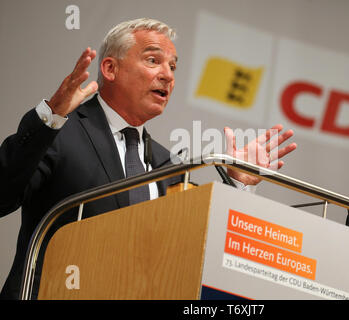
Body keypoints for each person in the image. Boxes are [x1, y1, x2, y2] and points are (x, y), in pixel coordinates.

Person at [0, 18, 297, 299]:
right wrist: (50, 117)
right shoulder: (60, 131)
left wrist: (239, 186)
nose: (168, 75)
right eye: (153, 60)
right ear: (110, 68)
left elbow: (202, 249)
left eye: (173, 66)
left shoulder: (169, 167)